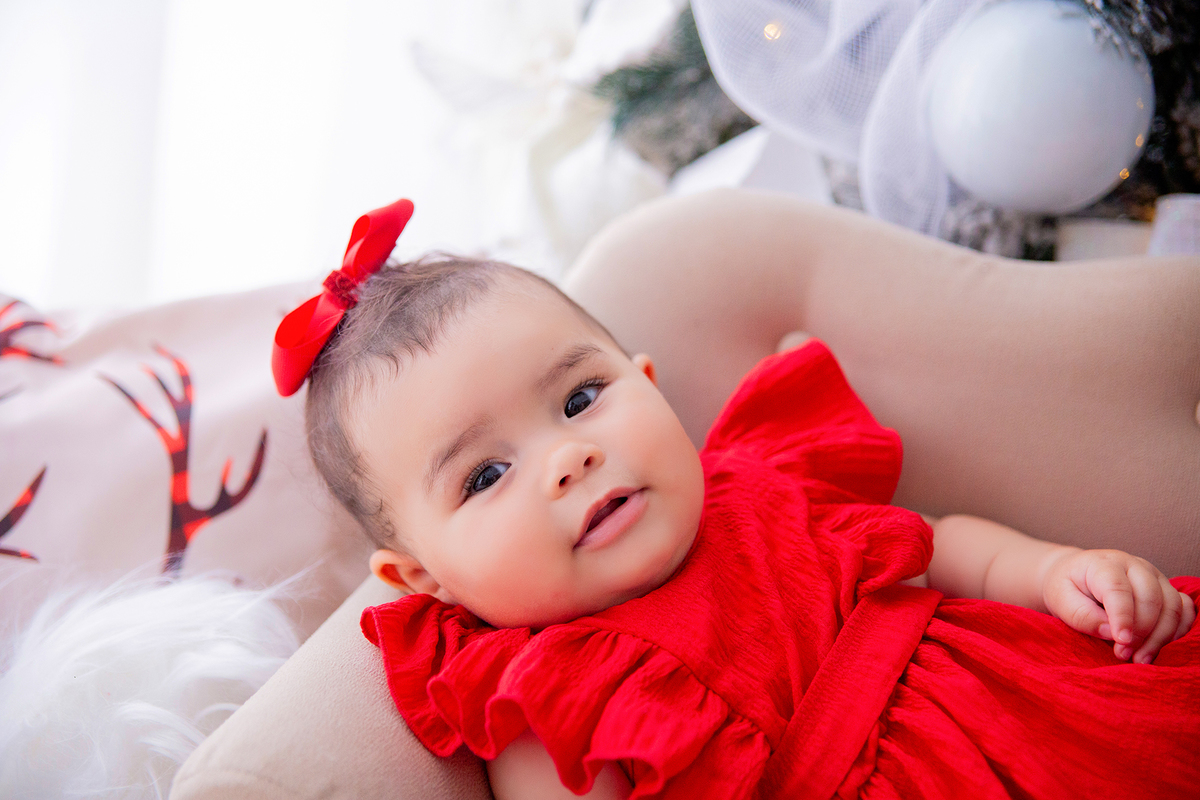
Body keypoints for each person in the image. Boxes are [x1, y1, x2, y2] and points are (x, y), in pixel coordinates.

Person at [273, 199, 1199, 800]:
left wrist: (1059, 571)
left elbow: (939, 545)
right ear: (424, 578)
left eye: (581, 399)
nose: (568, 459)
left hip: (1044, 710)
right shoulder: (545, 694)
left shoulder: (762, 474)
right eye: (484, 475)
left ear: (650, 384)